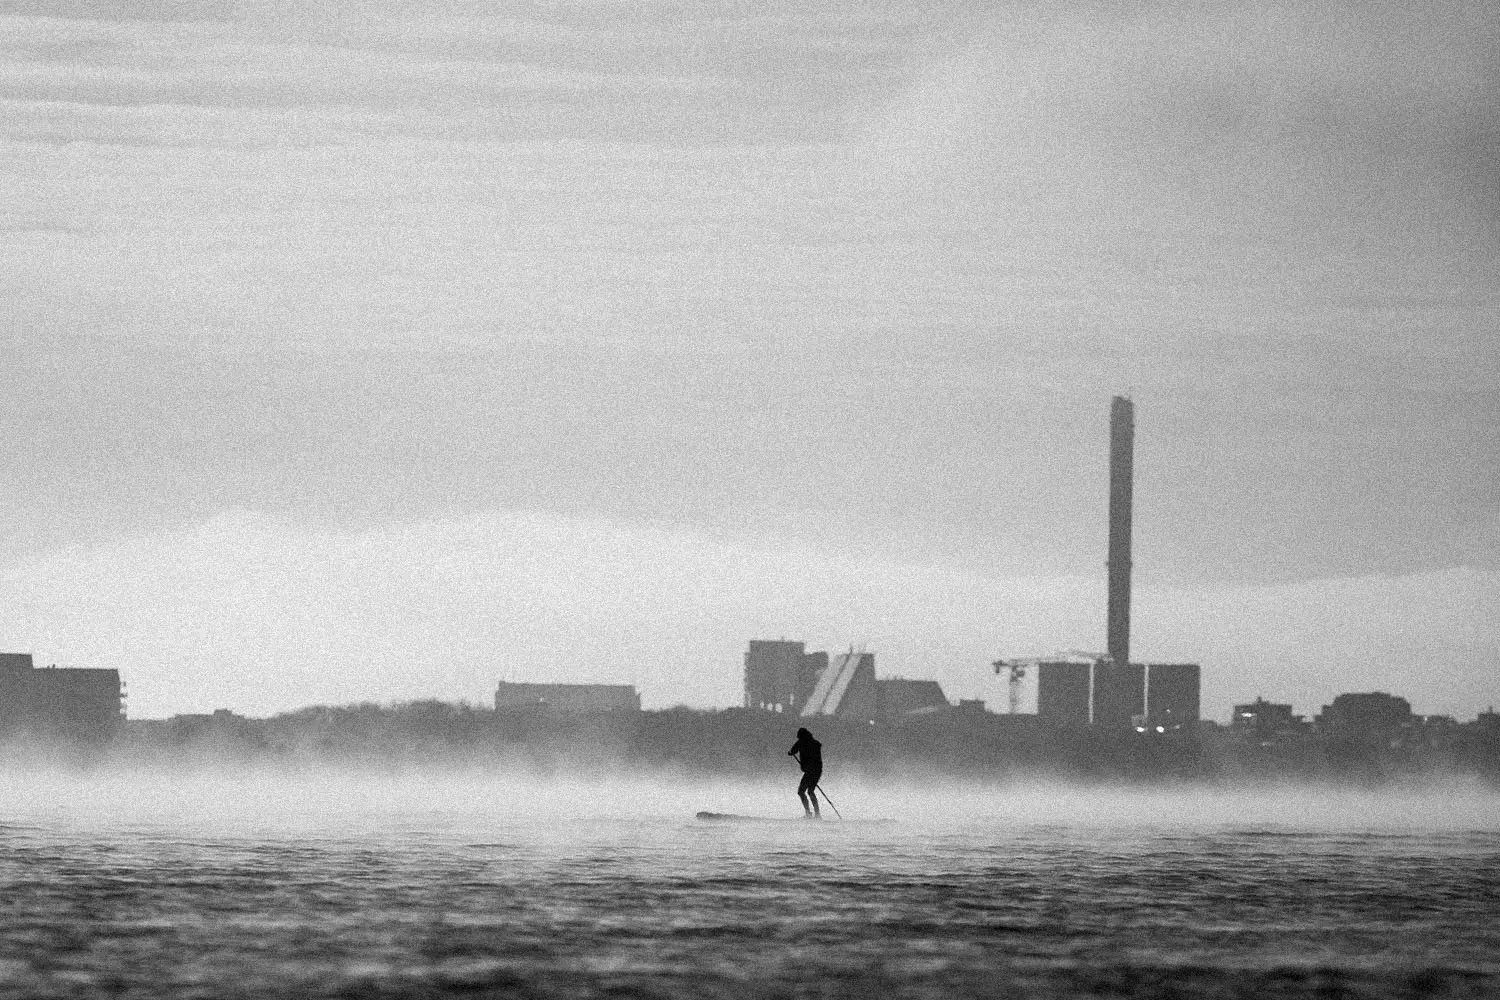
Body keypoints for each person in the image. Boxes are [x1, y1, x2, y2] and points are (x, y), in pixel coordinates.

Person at [787, 727, 822, 819]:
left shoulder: (812, 744)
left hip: (814, 771)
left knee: (806, 791)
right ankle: (812, 814)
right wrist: (791, 752)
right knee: (805, 791)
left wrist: (791, 753)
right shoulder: (810, 743)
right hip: (813, 771)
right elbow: (793, 750)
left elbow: (793, 751)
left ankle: (814, 814)